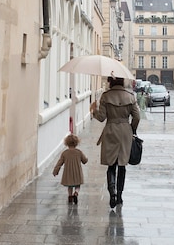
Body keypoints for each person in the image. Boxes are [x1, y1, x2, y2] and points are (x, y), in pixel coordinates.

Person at [90, 77, 140, 208]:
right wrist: (132, 128)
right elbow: (137, 117)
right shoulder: (130, 96)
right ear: (122, 82)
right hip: (125, 132)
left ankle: (112, 192)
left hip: (111, 130)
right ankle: (119, 196)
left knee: (111, 164)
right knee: (122, 165)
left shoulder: (106, 96)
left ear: (111, 82)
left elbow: (101, 118)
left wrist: (93, 110)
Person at [53, 134, 88, 204]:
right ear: (76, 143)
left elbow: (59, 163)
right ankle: (76, 193)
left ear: (67, 143)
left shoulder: (64, 153)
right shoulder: (79, 152)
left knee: (70, 186)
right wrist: (86, 159)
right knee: (78, 185)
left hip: (68, 173)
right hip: (77, 172)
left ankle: (70, 196)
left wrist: (55, 171)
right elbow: (85, 161)